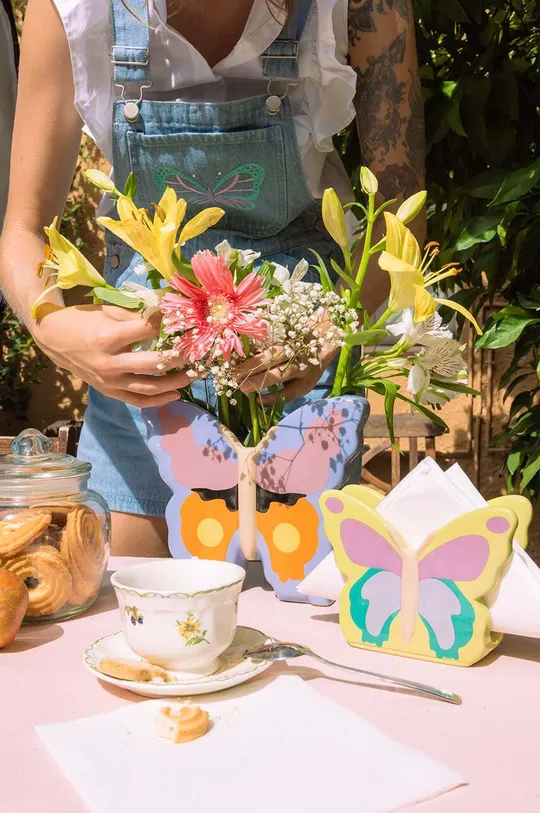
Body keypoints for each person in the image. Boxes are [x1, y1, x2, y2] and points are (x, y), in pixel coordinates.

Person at [0, 0, 425, 556]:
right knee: (141, 625)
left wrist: (328, 332)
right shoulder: (72, 10)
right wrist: (56, 328)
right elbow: (23, 231)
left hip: (293, 396)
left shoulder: (365, 8)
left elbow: (401, 219)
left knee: (293, 625)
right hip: (141, 400)